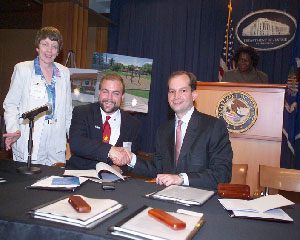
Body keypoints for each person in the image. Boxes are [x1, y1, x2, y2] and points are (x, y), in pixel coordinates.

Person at [125, 71, 233, 190]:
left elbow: (222, 174)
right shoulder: (163, 131)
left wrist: (181, 179)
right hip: (167, 197)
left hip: (200, 201)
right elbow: (157, 169)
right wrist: (131, 159)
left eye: (183, 91)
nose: (176, 96)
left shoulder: (214, 127)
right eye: (172, 91)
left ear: (194, 95)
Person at [3, 26, 72, 166]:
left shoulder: (64, 72)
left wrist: (74, 140)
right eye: (45, 44)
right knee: (29, 182)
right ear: (37, 47)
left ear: (58, 51)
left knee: (55, 180)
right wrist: (13, 129)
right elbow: (10, 104)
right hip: (31, 134)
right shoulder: (22, 69)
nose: (49, 50)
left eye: (54, 46)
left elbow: (68, 111)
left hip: (56, 139)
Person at [66, 73, 141, 170]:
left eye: (115, 93)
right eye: (105, 92)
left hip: (112, 182)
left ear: (122, 96)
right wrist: (110, 150)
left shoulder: (133, 124)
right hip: (80, 175)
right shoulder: (82, 112)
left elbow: (130, 156)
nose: (109, 98)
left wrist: (119, 169)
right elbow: (77, 144)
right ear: (99, 92)